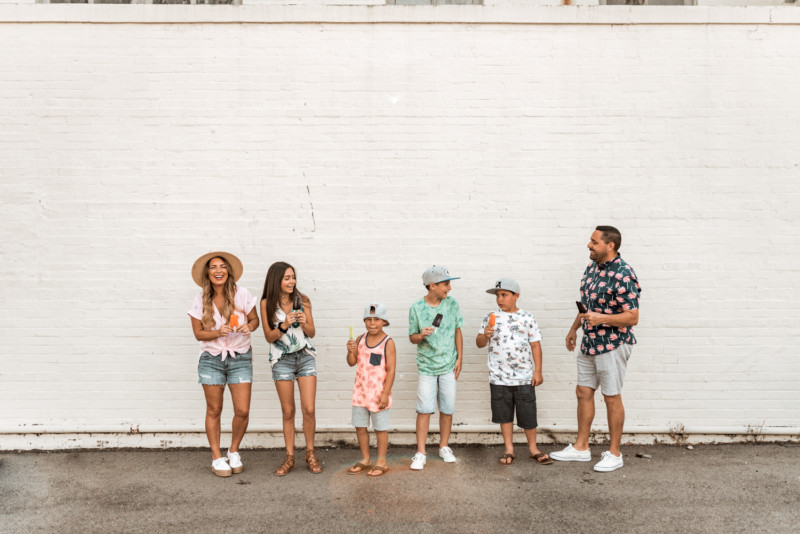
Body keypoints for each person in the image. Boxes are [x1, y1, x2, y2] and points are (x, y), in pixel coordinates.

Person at [551, 226, 642, 472]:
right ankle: (581, 448)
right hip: (589, 341)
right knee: (583, 392)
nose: (588, 245)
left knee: (611, 397)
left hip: (612, 345)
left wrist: (601, 319)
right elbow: (587, 307)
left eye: (593, 241)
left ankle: (615, 453)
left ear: (609, 245)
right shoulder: (592, 268)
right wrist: (574, 329)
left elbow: (632, 317)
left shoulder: (624, 273)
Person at [188, 251, 259, 477]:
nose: (218, 270)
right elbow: (198, 334)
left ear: (228, 271)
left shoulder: (243, 294)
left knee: (242, 410)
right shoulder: (200, 300)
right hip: (211, 359)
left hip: (240, 355)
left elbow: (255, 320)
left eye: (222, 266)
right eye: (213, 267)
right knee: (214, 409)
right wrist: (218, 332)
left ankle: (234, 450)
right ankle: (217, 456)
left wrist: (250, 326)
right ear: (207, 274)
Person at [476, 278, 552, 466]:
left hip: (524, 377)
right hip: (499, 377)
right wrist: (484, 335)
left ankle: (533, 448)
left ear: (516, 296)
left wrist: (538, 371)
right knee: (504, 415)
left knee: (528, 414)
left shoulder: (527, 317)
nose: (500, 299)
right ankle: (509, 449)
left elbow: (535, 345)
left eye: (504, 295)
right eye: (497, 296)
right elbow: (479, 343)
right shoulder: (490, 317)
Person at [260, 261, 322, 476]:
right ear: (276, 280)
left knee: (309, 409)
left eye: (293, 277)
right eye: (287, 278)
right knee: (288, 411)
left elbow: (312, 333)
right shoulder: (267, 303)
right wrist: (284, 325)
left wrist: (304, 323)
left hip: (305, 357)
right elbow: (269, 336)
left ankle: (310, 453)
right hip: (281, 359)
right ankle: (289, 456)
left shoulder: (303, 300)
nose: (292, 281)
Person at [408, 265, 464, 471]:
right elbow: (412, 337)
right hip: (426, 366)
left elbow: (458, 331)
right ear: (432, 286)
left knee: (447, 407)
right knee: (424, 409)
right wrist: (421, 335)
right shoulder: (416, 308)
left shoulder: (452, 304)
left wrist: (460, 358)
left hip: (449, 364)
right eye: (446, 284)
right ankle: (421, 452)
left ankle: (444, 446)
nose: (449, 288)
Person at [345, 303, 396, 477]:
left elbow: (391, 370)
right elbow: (352, 362)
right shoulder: (360, 339)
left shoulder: (388, 343)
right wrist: (350, 351)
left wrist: (385, 393)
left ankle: (381, 461)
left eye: (376, 319)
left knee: (380, 428)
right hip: (360, 393)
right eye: (368, 319)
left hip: (378, 394)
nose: (372, 323)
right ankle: (366, 459)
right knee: (360, 427)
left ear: (384, 322)